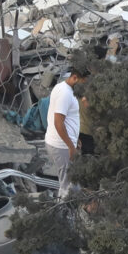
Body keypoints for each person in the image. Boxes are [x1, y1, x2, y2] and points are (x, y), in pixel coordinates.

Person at [45, 65, 86, 197]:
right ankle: (64, 213)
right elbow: (58, 123)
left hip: (63, 143)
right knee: (67, 186)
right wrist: (70, 146)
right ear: (75, 78)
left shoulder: (65, 88)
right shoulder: (65, 93)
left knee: (69, 182)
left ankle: (66, 209)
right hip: (61, 146)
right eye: (83, 83)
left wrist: (75, 138)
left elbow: (69, 118)